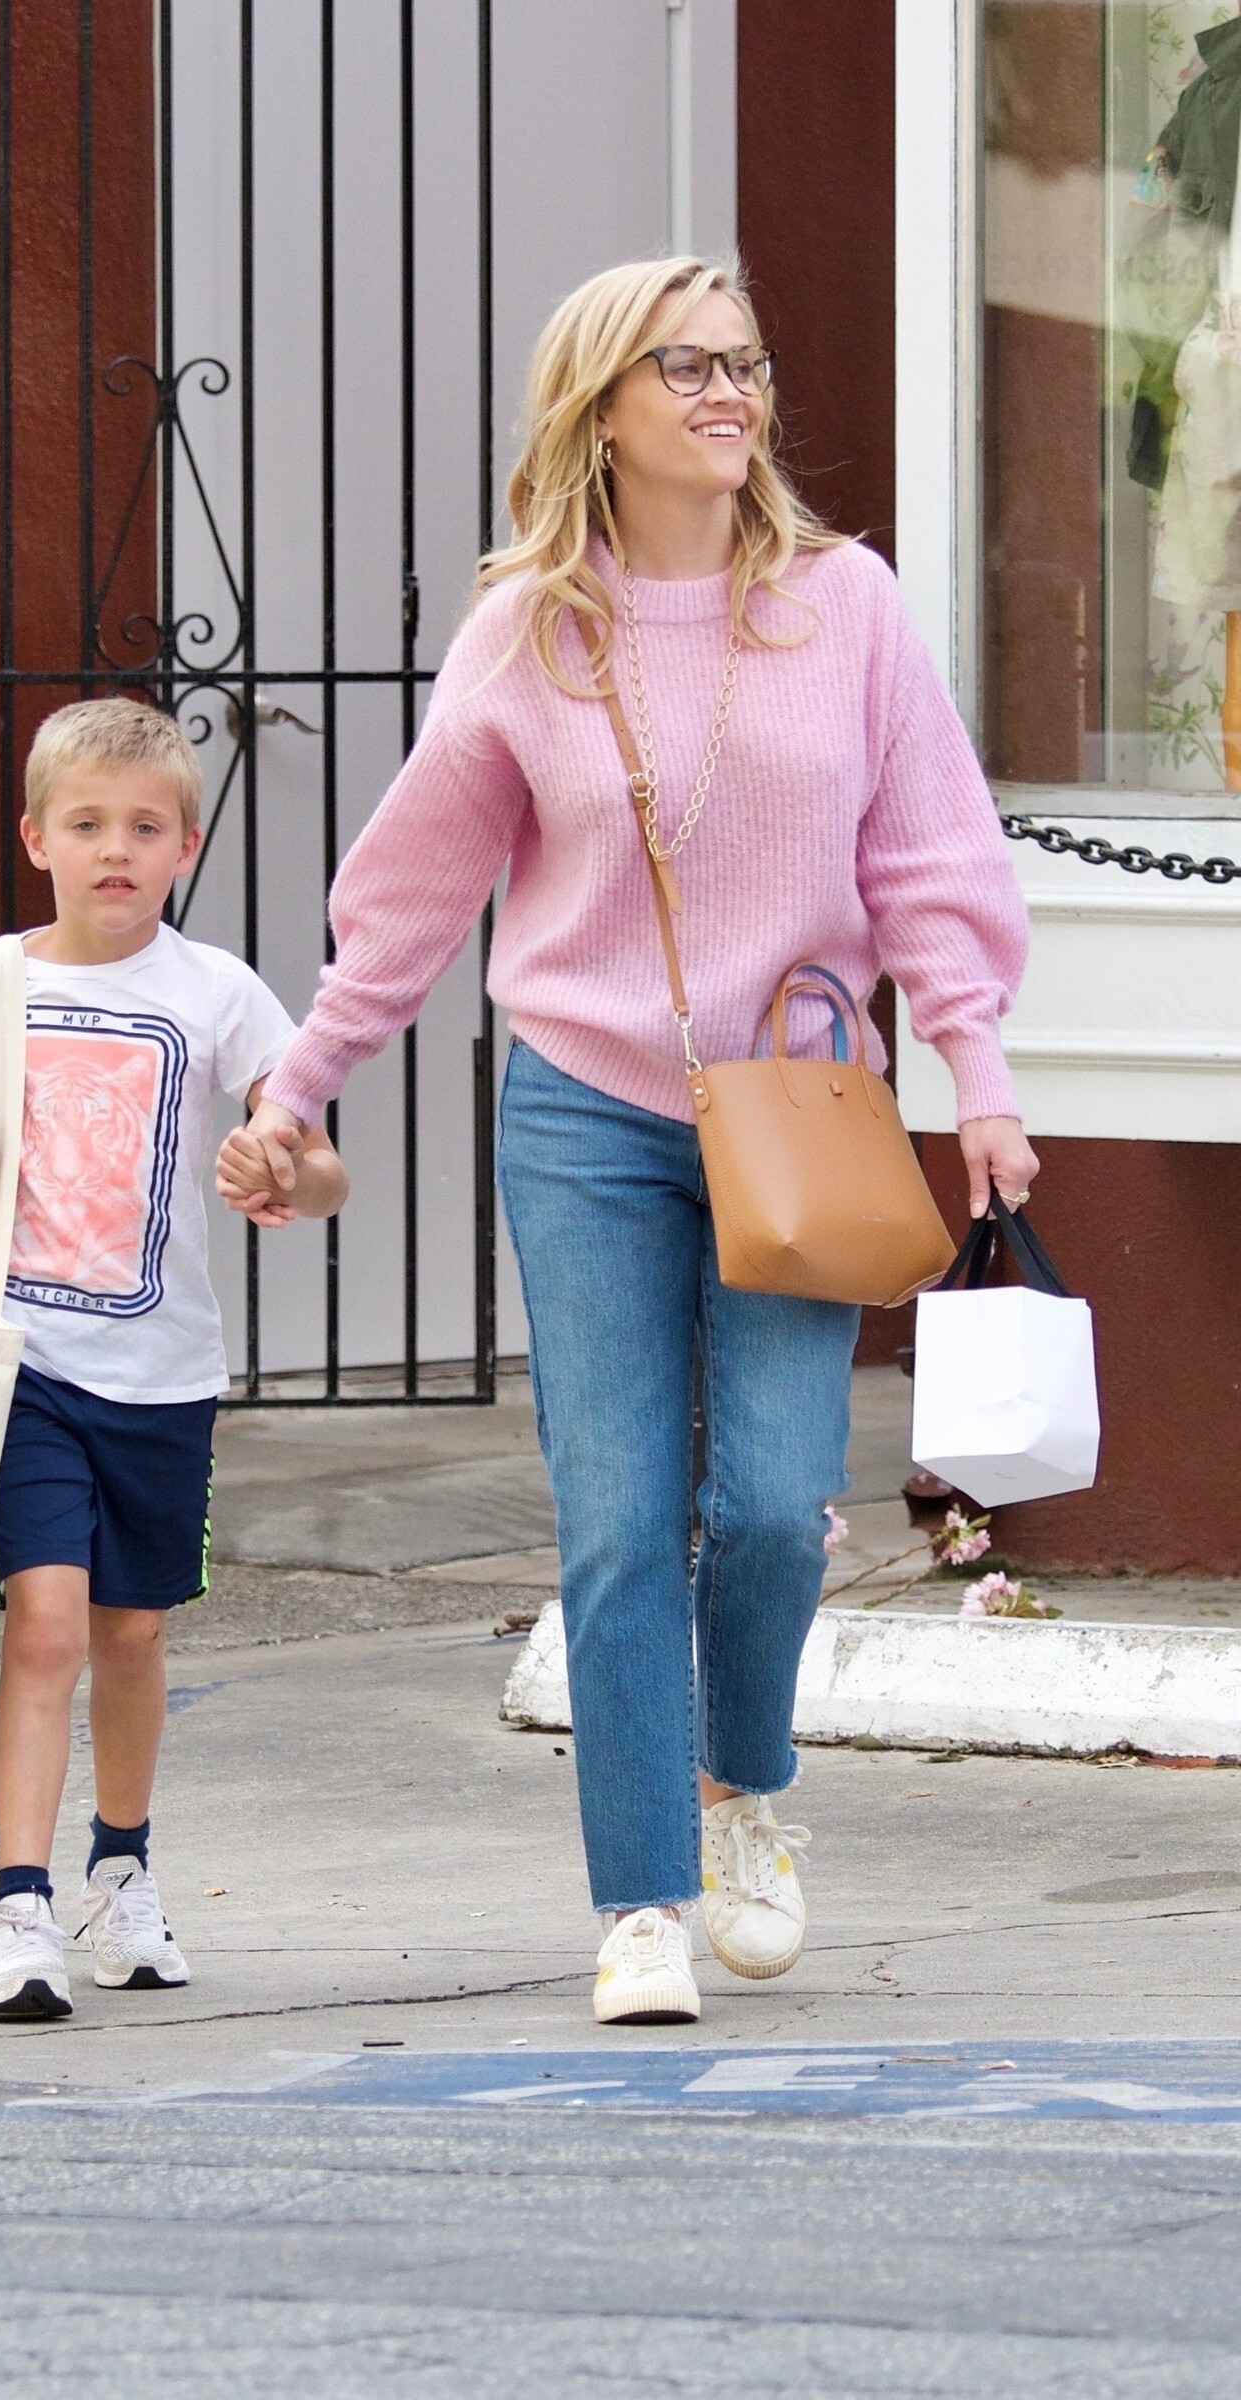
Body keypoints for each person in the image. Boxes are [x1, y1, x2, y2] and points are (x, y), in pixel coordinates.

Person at [236, 257, 1036, 2027]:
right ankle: (643, 1901)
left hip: (806, 1113)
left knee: (769, 1509)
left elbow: (928, 856)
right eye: (686, 367)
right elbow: (414, 889)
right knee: (614, 1524)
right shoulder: (530, 631)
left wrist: (975, 1074)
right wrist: (302, 1082)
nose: (730, 393)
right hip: (587, 1114)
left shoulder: (846, 603)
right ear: (600, 404)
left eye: (745, 363)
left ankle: (744, 1791)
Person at [0, 696, 348, 2020]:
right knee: (46, 1626)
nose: (115, 850)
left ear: (185, 846)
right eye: (87, 825)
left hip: (162, 1376)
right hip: (11, 1359)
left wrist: (279, 1170)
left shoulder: (217, 995)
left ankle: (121, 1875)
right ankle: (18, 1910)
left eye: (145, 828)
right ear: (37, 839)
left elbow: (321, 1166)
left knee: (131, 1635)